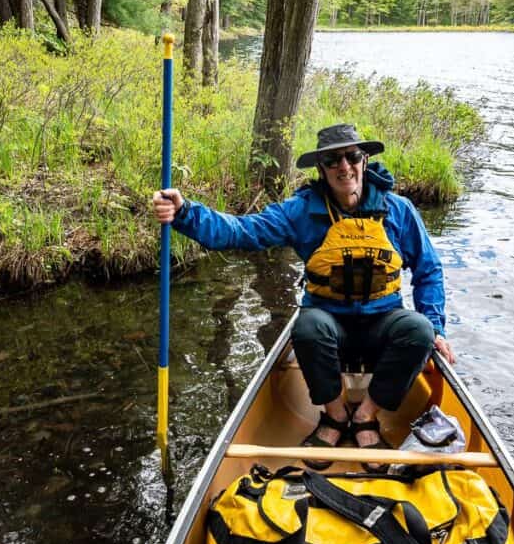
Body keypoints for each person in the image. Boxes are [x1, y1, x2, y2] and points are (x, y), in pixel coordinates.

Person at [152, 124, 455, 471]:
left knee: (419, 330)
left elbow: (429, 269)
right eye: (332, 160)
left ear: (365, 160)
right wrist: (186, 213)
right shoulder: (301, 211)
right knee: (307, 326)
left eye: (352, 156)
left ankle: (366, 416)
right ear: (321, 169)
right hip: (328, 326)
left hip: (382, 324)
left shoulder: (398, 210)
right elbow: (241, 231)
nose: (344, 167)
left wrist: (436, 326)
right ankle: (335, 415)